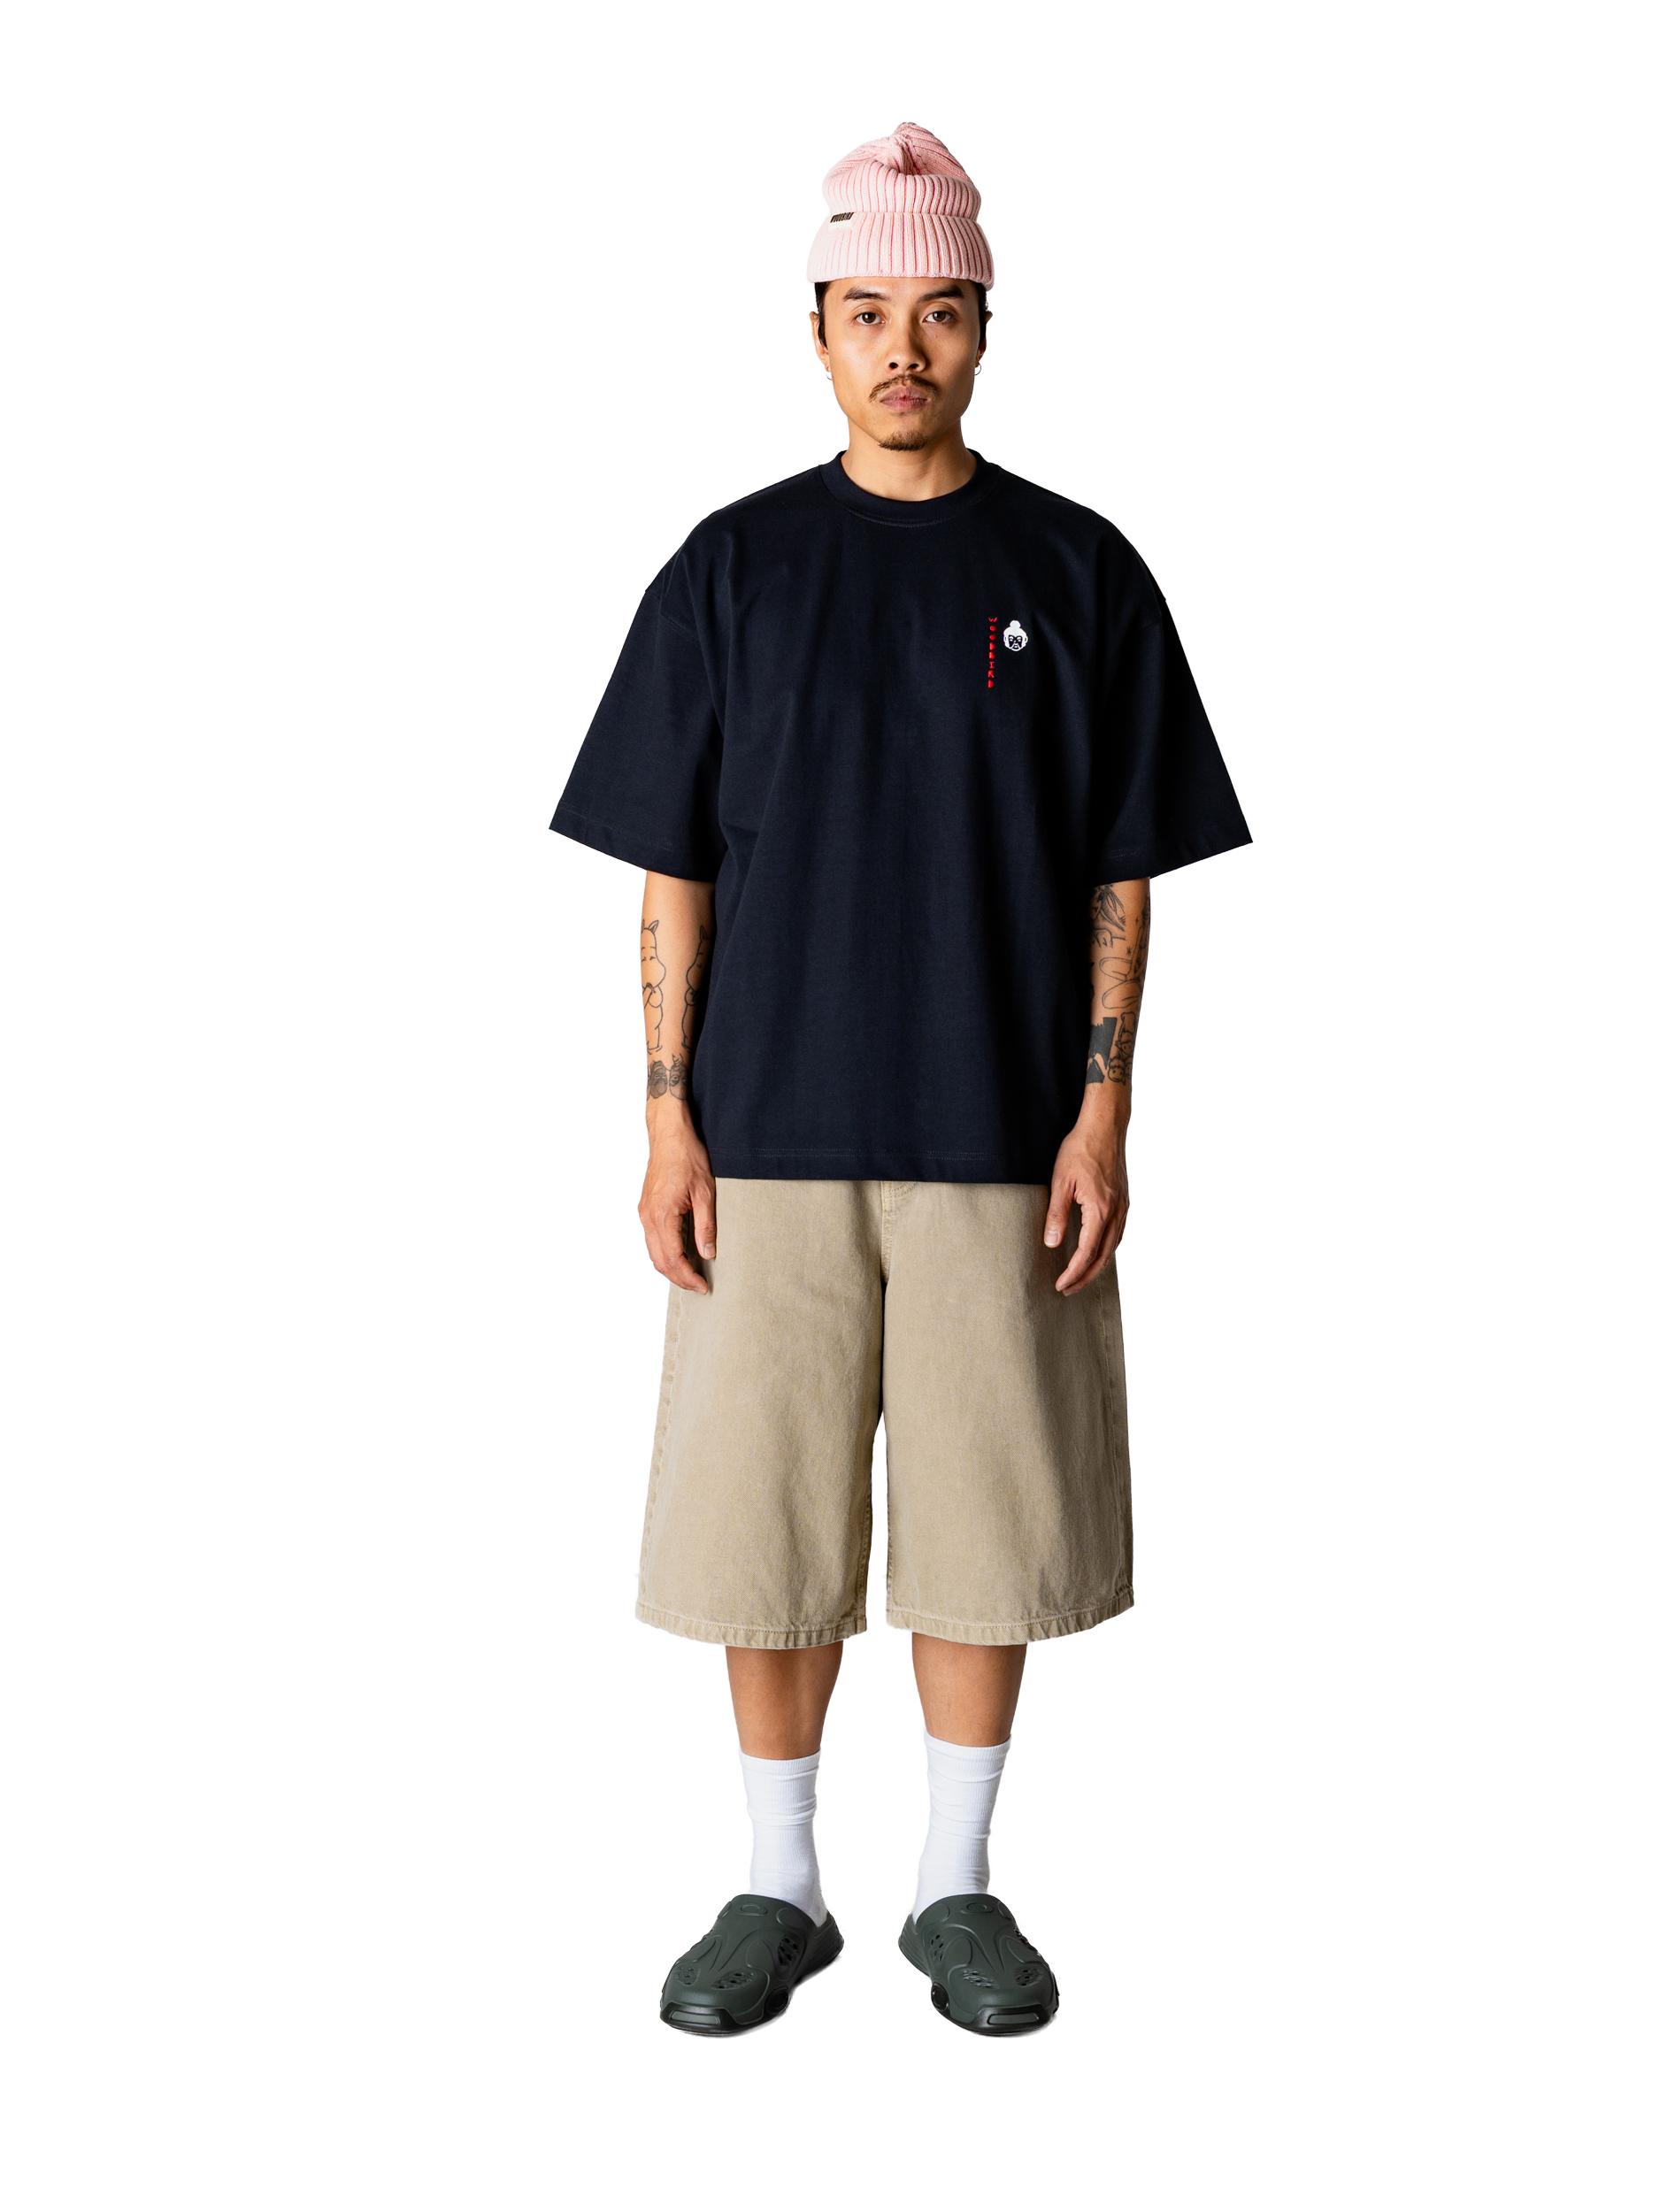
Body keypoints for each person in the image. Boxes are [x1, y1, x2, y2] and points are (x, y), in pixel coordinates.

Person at [550, 121, 1251, 2038]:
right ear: (816, 329)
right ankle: (777, 1880)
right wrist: (665, 1113)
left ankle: (955, 1882)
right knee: (760, 1529)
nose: (903, 348)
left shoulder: (1077, 569)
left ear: (985, 329)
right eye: (866, 311)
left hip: (1000, 1128)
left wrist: (1104, 1106)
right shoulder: (732, 568)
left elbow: (1121, 866)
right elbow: (670, 870)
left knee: (983, 1519)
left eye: (939, 312)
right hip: (765, 1132)